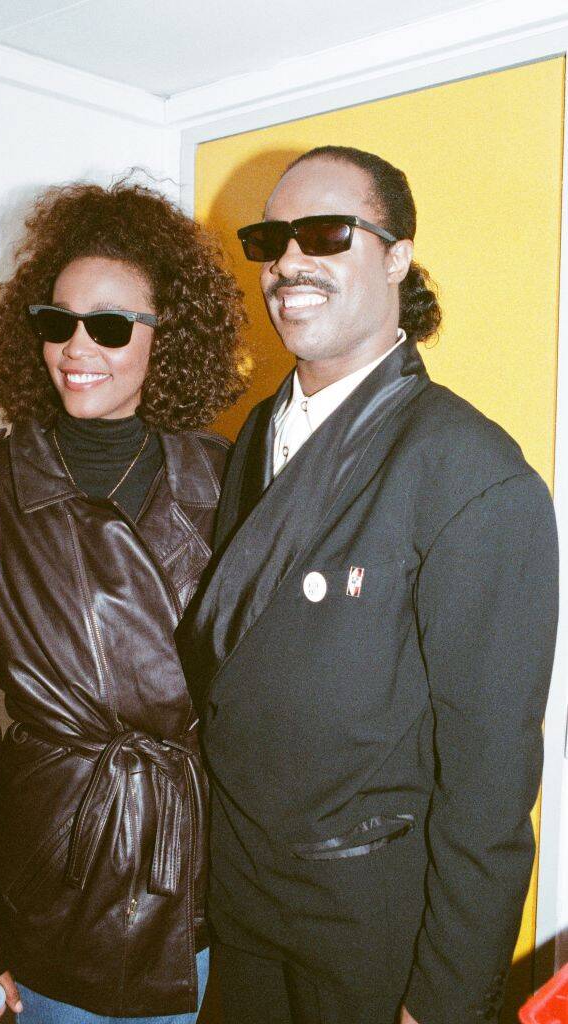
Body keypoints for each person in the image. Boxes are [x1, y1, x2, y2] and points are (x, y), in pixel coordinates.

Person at [177, 146, 559, 1024]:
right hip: (245, 910)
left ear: (395, 256)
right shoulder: (256, 439)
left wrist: (446, 997)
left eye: (324, 233)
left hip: (372, 935)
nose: (287, 263)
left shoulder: (469, 471)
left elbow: (489, 789)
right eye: (272, 238)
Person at [0, 179, 246, 1024]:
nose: (76, 347)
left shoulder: (233, 478)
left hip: (218, 877)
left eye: (111, 324)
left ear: (171, 339)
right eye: (56, 322)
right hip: (60, 881)